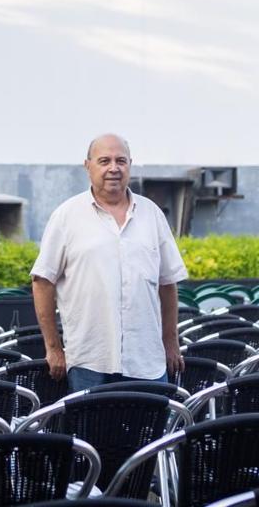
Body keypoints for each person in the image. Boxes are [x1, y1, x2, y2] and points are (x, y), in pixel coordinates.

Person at [30, 133, 188, 391]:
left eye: (120, 161)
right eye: (104, 161)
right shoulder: (66, 216)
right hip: (89, 361)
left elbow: (167, 283)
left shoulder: (152, 215)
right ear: (87, 165)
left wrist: (170, 342)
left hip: (146, 361)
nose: (113, 168)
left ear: (130, 165)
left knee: (151, 431)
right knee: (89, 431)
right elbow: (42, 282)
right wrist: (53, 348)